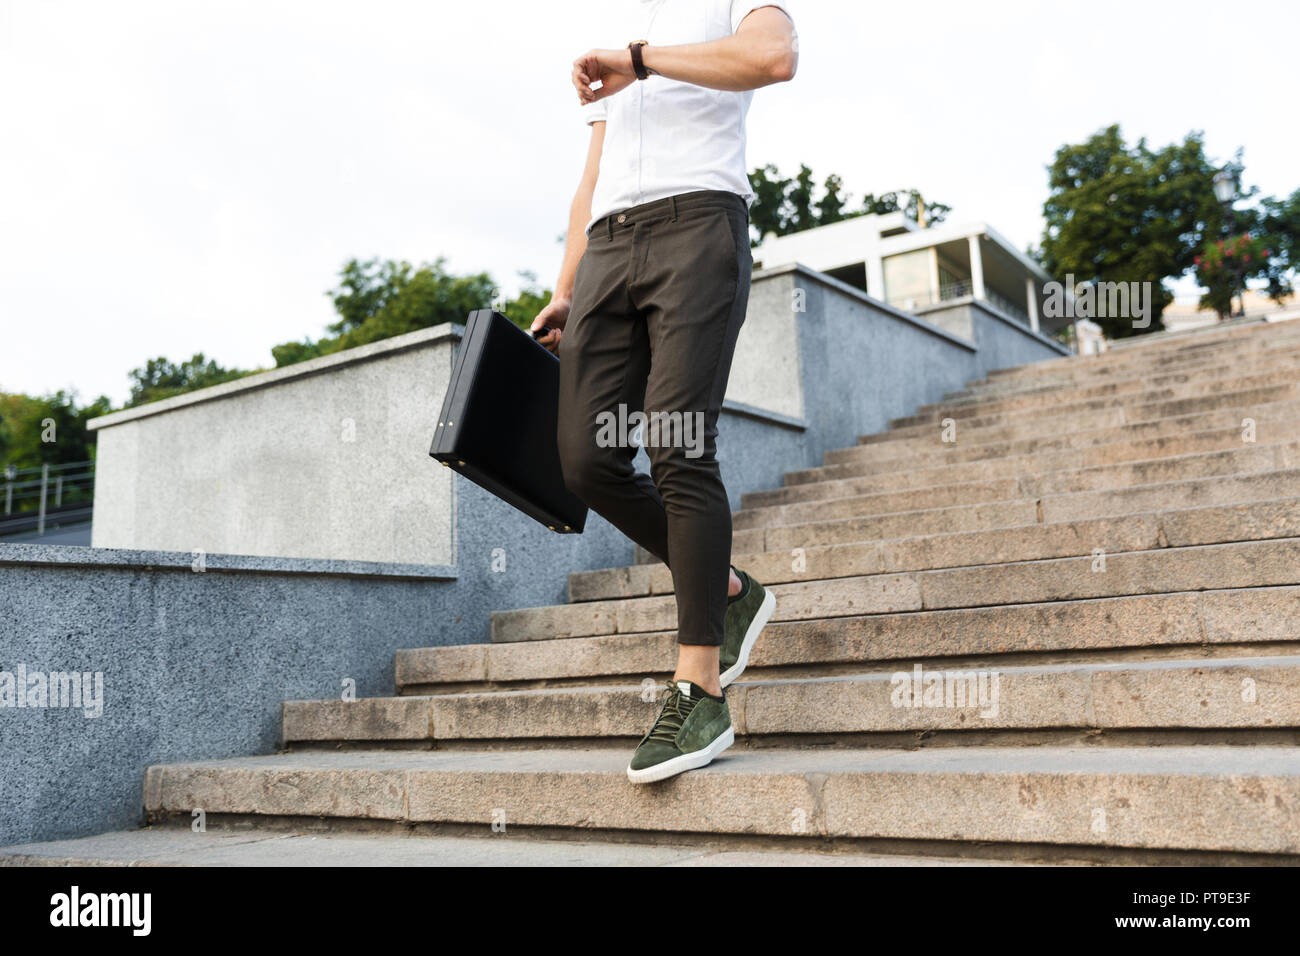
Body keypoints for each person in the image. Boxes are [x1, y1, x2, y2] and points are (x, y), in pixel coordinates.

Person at [529, 0, 798, 784]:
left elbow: (772, 57)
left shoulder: (722, 11)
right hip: (610, 245)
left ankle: (700, 687)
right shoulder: (611, 23)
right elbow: (592, 177)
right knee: (585, 461)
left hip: (699, 220)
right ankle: (725, 588)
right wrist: (566, 286)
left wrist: (641, 59)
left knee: (677, 443)